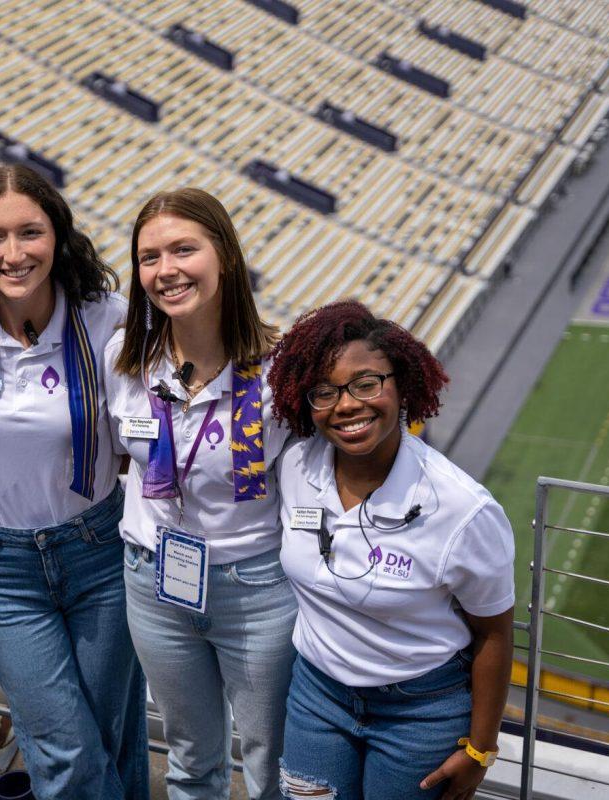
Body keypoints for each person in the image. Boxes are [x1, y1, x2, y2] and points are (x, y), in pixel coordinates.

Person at [0, 164, 148, 800]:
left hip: (98, 549)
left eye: (30, 232)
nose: (13, 253)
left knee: (111, 731)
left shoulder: (107, 316)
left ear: (58, 234)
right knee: (63, 747)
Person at [267, 300, 514, 800]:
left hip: (420, 710)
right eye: (325, 391)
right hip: (317, 696)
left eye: (366, 383)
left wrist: (480, 749)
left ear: (401, 386)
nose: (347, 405)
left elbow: (495, 635)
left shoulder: (463, 509)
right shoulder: (294, 466)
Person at [105, 187, 297, 800]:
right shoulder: (126, 358)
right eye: (149, 257)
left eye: (184, 249)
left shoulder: (280, 369)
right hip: (154, 580)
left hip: (256, 589)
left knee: (274, 765)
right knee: (191, 762)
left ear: (226, 257)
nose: (166, 271)